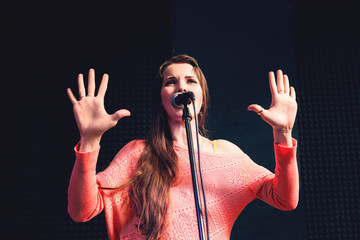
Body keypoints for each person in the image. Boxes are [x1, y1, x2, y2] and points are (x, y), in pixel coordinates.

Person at [67, 54, 299, 240]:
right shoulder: (138, 152)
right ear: (162, 99)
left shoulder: (227, 154)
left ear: (202, 98)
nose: (181, 86)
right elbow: (81, 211)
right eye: (171, 82)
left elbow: (285, 198)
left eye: (190, 80)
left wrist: (284, 133)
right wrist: (89, 140)